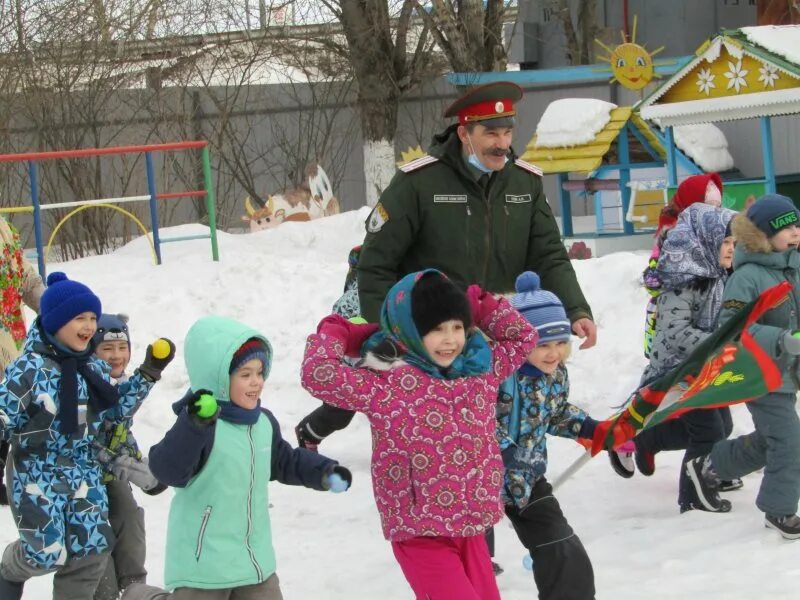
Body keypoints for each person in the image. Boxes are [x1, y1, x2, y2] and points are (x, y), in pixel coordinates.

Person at [295, 81, 596, 453]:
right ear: (464, 133)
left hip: (490, 320)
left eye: (506, 132)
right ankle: (317, 426)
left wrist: (576, 308)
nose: (501, 143)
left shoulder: (525, 183)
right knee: (369, 382)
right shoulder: (419, 183)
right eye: (490, 134)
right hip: (424, 323)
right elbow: (376, 263)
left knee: (479, 407)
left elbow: (549, 253)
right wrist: (384, 330)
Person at [301, 270, 538, 600]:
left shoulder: (479, 368)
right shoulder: (385, 383)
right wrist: (340, 332)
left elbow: (523, 337)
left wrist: (477, 303)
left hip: (471, 526)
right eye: (436, 329)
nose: (450, 339)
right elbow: (318, 374)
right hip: (419, 532)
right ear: (409, 330)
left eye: (457, 326)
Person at [123, 316, 352, 600]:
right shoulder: (200, 426)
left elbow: (284, 460)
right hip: (204, 563)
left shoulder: (262, 423)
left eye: (260, 373)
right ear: (217, 378)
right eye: (245, 375)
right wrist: (193, 425)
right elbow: (167, 470)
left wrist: (325, 472)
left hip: (253, 558)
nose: (256, 382)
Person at [0, 272, 174, 600]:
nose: (89, 325)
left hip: (83, 471)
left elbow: (113, 408)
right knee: (45, 553)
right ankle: (9, 570)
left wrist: (148, 374)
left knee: (91, 552)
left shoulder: (90, 367)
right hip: (38, 471)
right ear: (55, 321)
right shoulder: (28, 370)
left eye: (93, 317)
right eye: (80, 317)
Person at [686, 194, 800, 538]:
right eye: (788, 228)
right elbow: (732, 330)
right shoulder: (747, 277)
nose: (796, 232)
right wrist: (780, 339)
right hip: (760, 373)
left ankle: (710, 464)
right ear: (763, 235)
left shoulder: (793, 267)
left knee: (774, 440)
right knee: (790, 441)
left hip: (788, 372)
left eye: (797, 224)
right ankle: (779, 512)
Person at [627, 204, 740, 512]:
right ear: (705, 241)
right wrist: (720, 345)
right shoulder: (684, 281)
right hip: (678, 371)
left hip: (703, 367)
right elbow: (675, 332)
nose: (730, 249)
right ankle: (693, 497)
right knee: (709, 432)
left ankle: (648, 440)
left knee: (723, 427)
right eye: (725, 242)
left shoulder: (716, 276)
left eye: (733, 243)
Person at [498, 272, 598, 599]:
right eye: (542, 344)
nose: (553, 353)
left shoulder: (554, 374)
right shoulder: (496, 374)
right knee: (473, 568)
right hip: (477, 483)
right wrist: (505, 451)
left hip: (526, 483)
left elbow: (554, 413)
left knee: (566, 556)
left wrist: (591, 429)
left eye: (560, 343)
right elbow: (472, 420)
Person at [92, 313, 167, 600]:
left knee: (129, 516)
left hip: (110, 473)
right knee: (95, 531)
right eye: (107, 349)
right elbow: (108, 419)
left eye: (122, 348)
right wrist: (130, 467)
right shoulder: (86, 383)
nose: (116, 356)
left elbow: (121, 429)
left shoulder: (119, 382)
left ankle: (132, 583)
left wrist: (138, 464)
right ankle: (105, 591)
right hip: (82, 478)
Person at [0, 214, 45, 506]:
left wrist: (56, 308)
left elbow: (25, 278)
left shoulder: (4, 228)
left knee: (10, 404)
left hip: (10, 338)